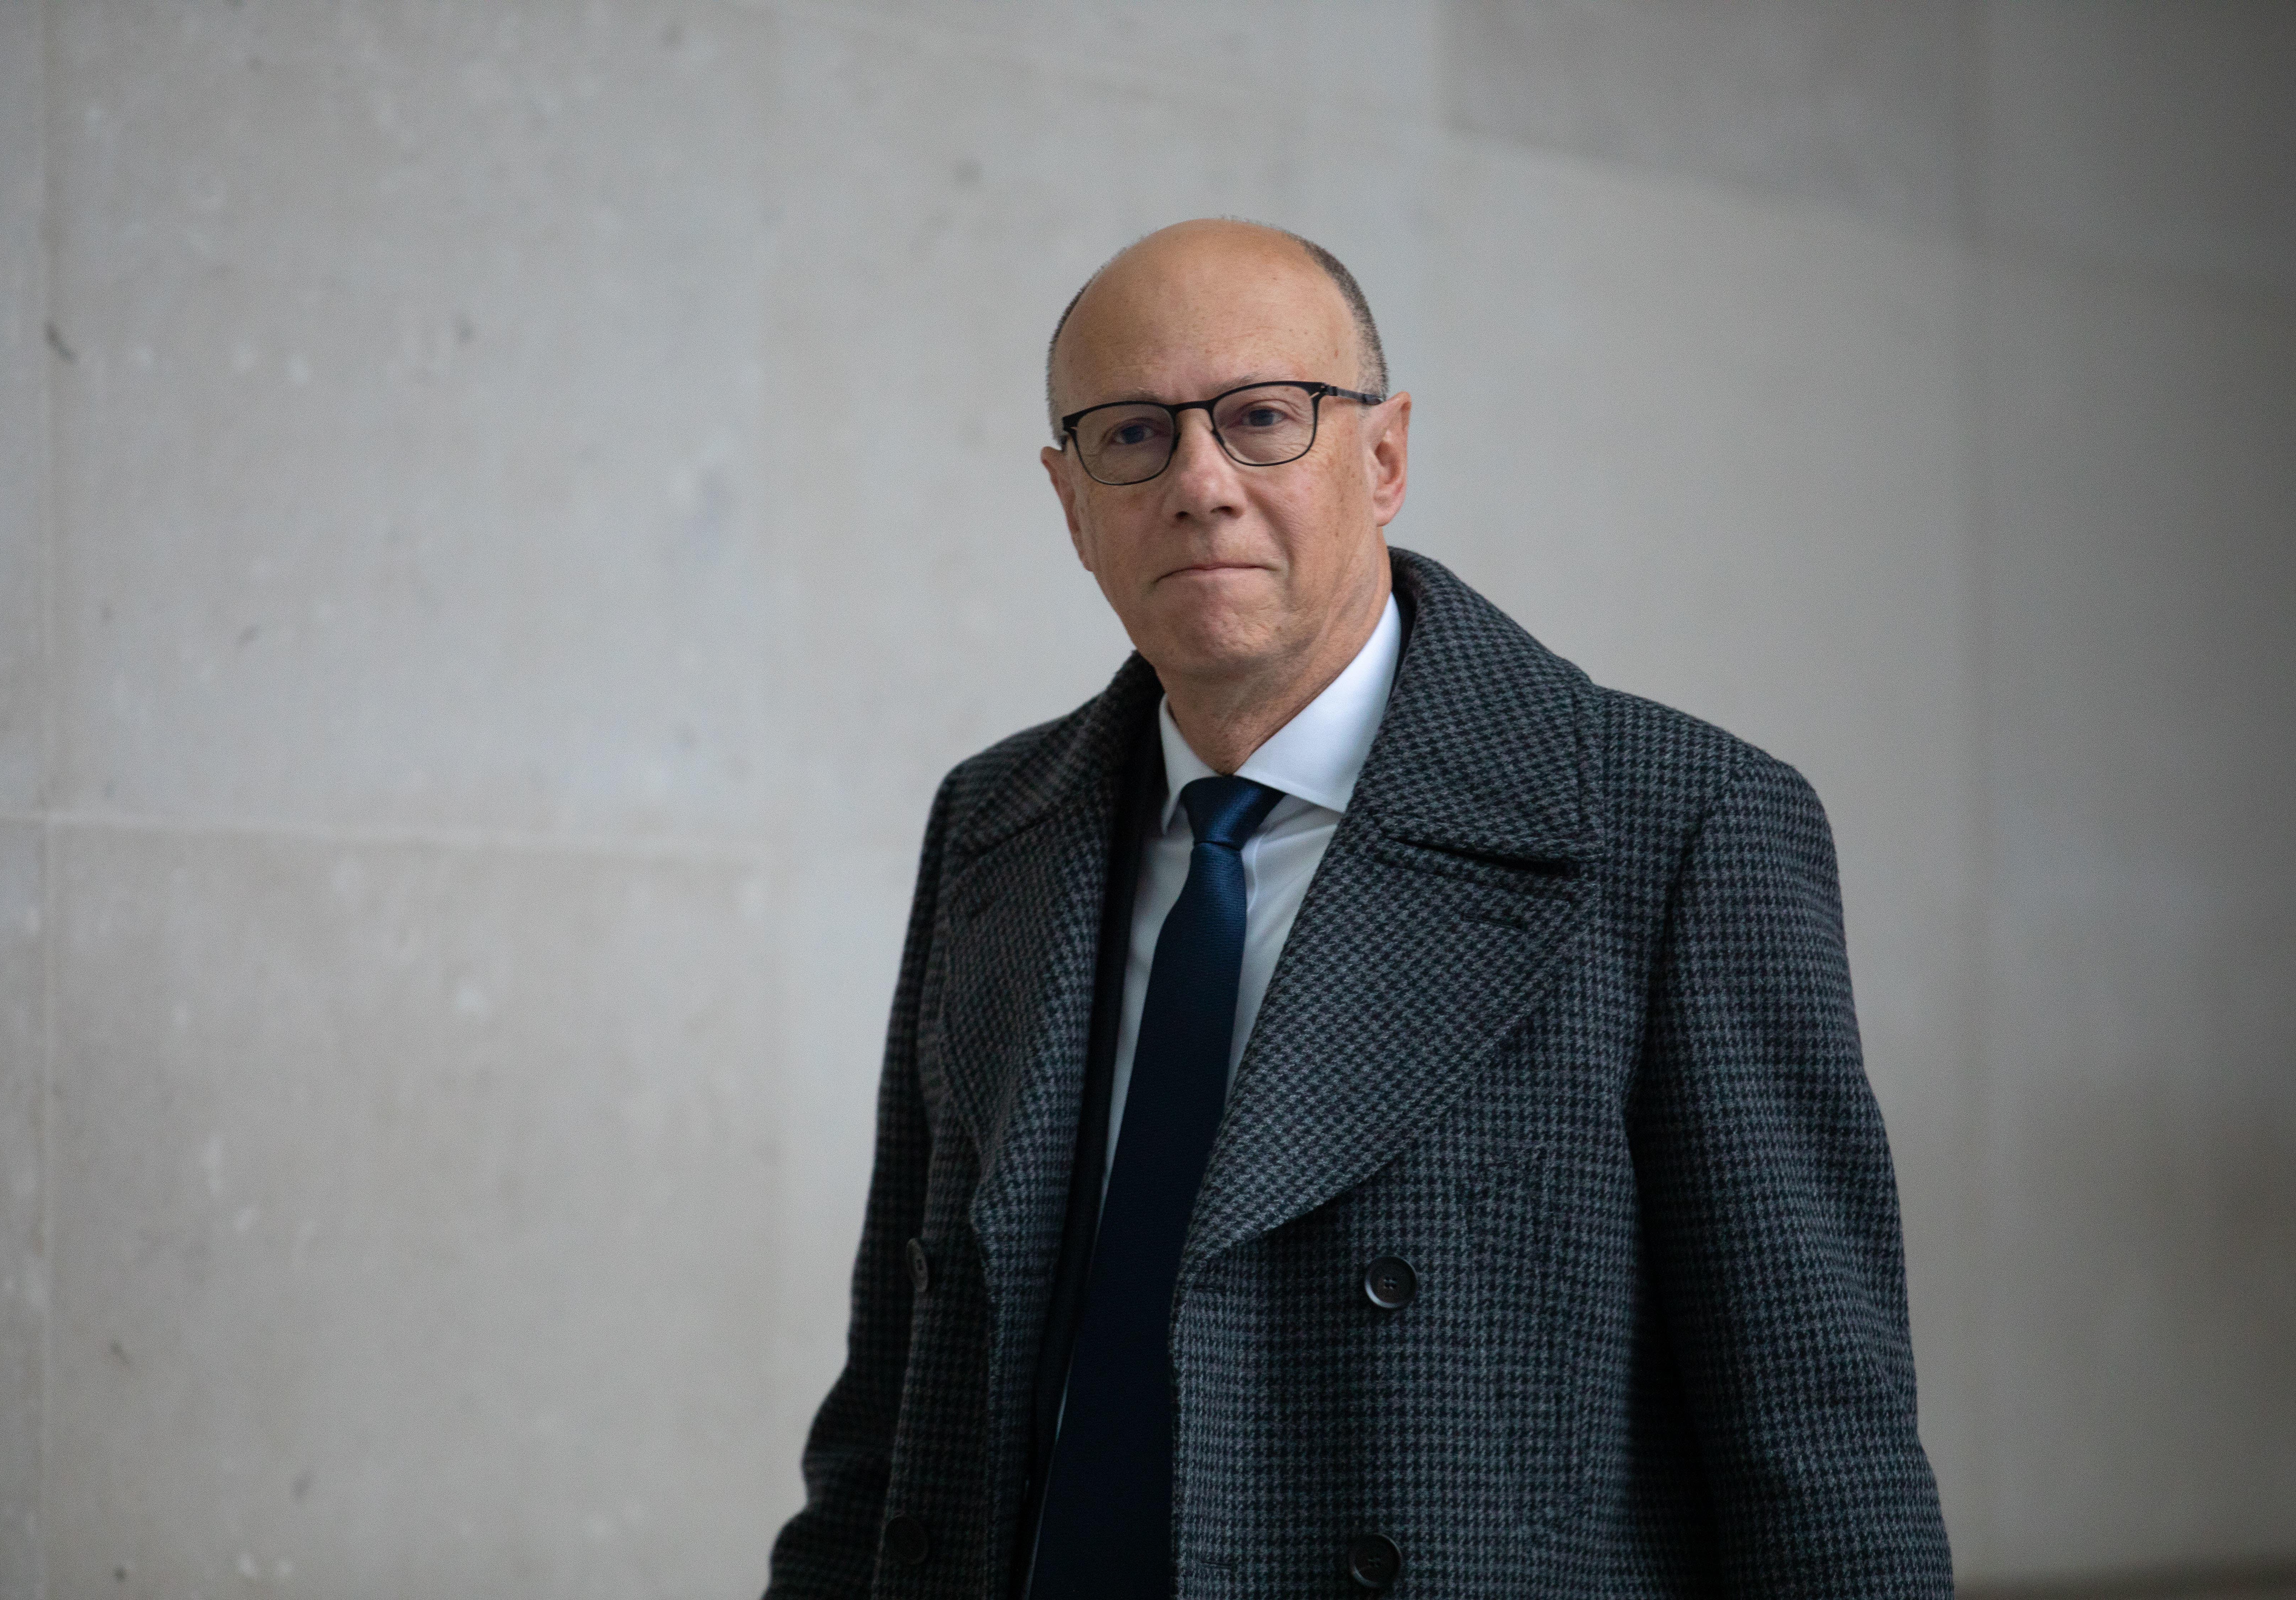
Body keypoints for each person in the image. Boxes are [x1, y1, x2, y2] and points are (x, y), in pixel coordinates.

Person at [764, 219, 1952, 1598]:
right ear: (1070, 500)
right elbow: (897, 1405)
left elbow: (1820, 1452)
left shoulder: (1678, 826)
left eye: (1265, 418)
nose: (1201, 483)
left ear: (1383, 460)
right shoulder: (993, 826)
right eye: (1136, 436)